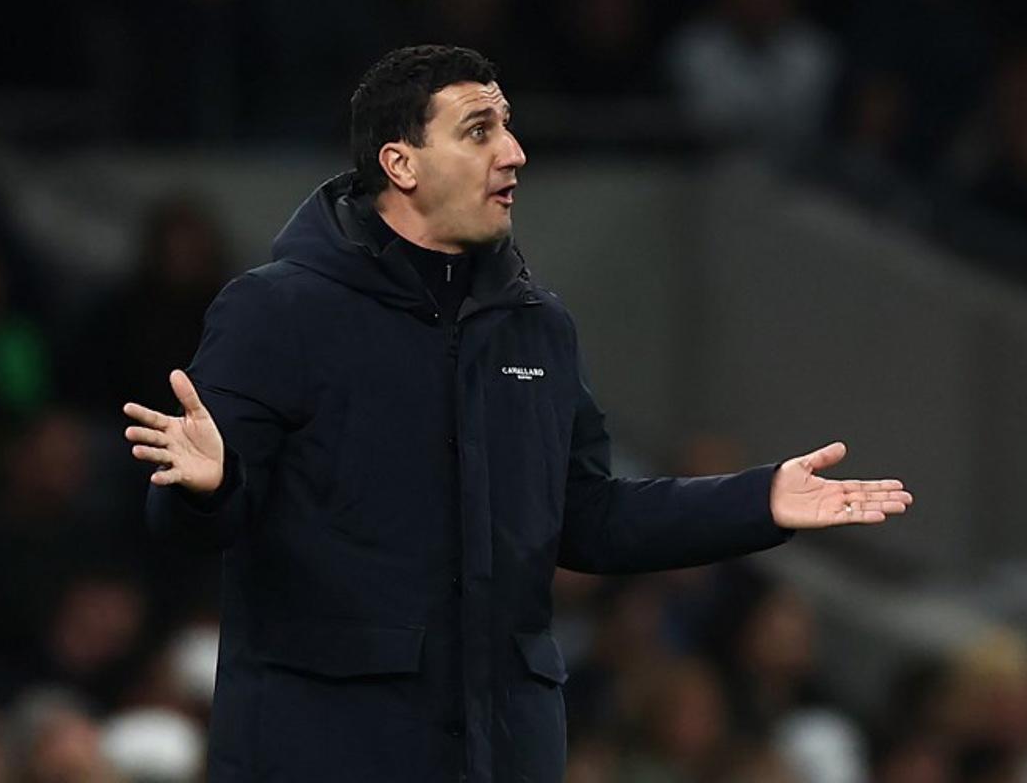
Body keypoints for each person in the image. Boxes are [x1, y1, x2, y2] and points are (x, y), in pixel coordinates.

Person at [121, 44, 913, 783]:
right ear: (400, 163)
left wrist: (757, 500)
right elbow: (189, 525)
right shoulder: (277, 312)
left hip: (507, 750)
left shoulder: (538, 323)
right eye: (479, 130)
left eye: (508, 126)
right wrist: (209, 486)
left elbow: (588, 518)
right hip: (326, 749)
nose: (514, 153)